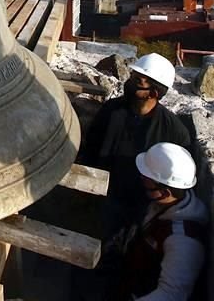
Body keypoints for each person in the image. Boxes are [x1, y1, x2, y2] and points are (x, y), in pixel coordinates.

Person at [79, 53, 191, 237]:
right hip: (101, 196)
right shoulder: (112, 110)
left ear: (154, 93)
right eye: (132, 76)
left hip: (138, 206)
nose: (130, 82)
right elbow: (92, 146)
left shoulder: (173, 131)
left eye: (139, 80)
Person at [108, 142, 208, 301]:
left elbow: (170, 295)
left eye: (147, 179)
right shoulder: (164, 204)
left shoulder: (183, 242)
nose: (142, 179)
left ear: (164, 192)